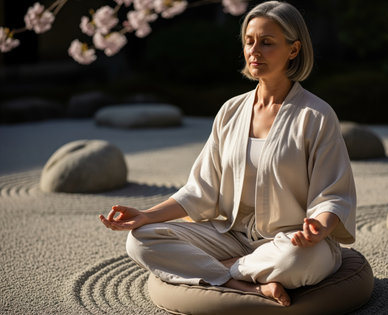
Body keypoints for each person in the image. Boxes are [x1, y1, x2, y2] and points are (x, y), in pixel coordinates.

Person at [99, 0, 356, 307]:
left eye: (267, 42)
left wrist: (318, 228)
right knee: (141, 240)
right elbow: (200, 190)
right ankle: (245, 283)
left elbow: (333, 195)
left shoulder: (316, 115)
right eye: (249, 42)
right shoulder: (231, 111)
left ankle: (224, 270)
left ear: (294, 49)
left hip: (292, 241)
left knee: (297, 261)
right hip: (231, 235)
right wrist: (145, 215)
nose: (254, 51)